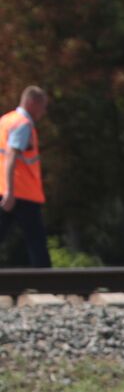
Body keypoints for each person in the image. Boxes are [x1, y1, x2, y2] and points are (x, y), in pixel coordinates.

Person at [0, 86, 51, 268]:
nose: (44, 112)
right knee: (36, 242)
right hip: (21, 193)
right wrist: (11, 192)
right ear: (32, 103)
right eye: (43, 106)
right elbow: (12, 155)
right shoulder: (23, 124)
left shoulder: (6, 120)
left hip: (6, 189)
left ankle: (46, 282)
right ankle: (46, 284)